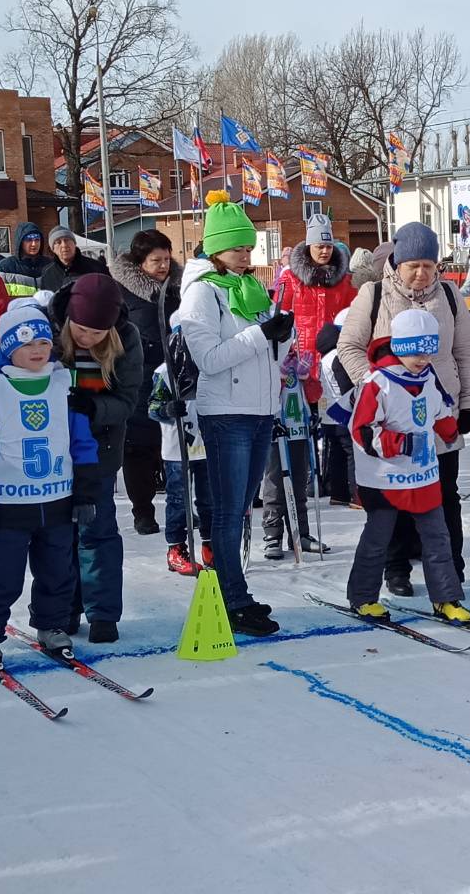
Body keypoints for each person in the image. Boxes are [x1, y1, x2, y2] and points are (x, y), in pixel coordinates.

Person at [337, 222, 470, 597]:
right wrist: (377, 386)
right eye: (412, 265)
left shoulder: (449, 295)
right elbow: (348, 346)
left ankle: (452, 567)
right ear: (396, 264)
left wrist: (469, 404)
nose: (420, 274)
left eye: (428, 266)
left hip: (437, 411)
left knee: (444, 494)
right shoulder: (374, 294)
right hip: (393, 419)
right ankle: (396, 566)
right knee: (395, 498)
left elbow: (465, 352)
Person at [175, 190, 294, 635]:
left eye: (249, 248)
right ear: (214, 248)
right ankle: (232, 596)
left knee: (241, 506)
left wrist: (283, 338)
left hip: (259, 409)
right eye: (237, 248)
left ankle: (234, 590)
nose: (246, 256)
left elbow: (268, 355)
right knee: (227, 511)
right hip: (225, 411)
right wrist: (264, 336)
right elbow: (210, 358)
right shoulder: (202, 293)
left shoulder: (249, 289)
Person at [0, 304, 98, 666]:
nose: (38, 350)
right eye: (27, 343)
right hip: (9, 506)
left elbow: (82, 443)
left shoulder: (63, 385)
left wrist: (84, 494)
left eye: (44, 341)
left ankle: (52, 624)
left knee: (57, 572)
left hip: (57, 501)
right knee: (2, 576)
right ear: (8, 348)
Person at [346, 308, 470, 624]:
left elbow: (439, 407)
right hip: (386, 479)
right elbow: (361, 430)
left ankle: (446, 598)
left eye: (428, 351)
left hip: (423, 473)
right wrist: (399, 443)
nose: (423, 358)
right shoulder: (378, 383)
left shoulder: (427, 375)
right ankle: (362, 597)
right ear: (401, 347)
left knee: (437, 537)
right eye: (416, 351)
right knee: (379, 538)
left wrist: (449, 428)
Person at [51, 273, 144, 643]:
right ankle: (65, 608)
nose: (87, 339)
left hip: (100, 452)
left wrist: (93, 408)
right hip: (53, 453)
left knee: (96, 530)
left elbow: (127, 400)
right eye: (81, 331)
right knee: (58, 535)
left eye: (96, 334)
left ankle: (103, 612)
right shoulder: (48, 332)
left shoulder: (128, 339)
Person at [108, 229, 182, 535]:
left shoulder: (178, 288)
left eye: (167, 259)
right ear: (140, 263)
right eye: (156, 260)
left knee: (172, 443)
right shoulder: (121, 292)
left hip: (174, 374)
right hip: (137, 376)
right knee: (139, 445)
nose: (163, 265)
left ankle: (178, 506)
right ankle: (143, 510)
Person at [275, 214, 358, 407]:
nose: (324, 251)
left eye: (328, 246)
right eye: (319, 246)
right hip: (298, 363)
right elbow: (278, 315)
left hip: (333, 360)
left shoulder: (345, 281)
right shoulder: (290, 278)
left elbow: (353, 318)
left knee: (334, 421)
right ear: (309, 246)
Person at [148, 356, 212, 576]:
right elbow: (153, 407)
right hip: (177, 447)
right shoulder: (165, 371)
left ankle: (210, 544)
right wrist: (167, 410)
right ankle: (176, 548)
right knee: (178, 498)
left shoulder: (208, 363)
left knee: (209, 498)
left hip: (206, 442)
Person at [260, 348, 323, 559]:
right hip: (277, 432)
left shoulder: (300, 366)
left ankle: (300, 532)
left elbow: (315, 395)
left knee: (299, 484)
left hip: (299, 432)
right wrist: (280, 375)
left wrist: (307, 377)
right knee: (275, 484)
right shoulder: (269, 364)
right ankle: (272, 535)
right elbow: (263, 392)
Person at [316, 308, 357, 505]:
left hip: (327, 414)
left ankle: (338, 493)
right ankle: (357, 494)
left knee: (337, 453)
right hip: (342, 413)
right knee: (352, 453)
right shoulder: (339, 356)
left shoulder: (325, 356)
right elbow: (346, 387)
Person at [40, 226, 107, 292]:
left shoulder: (96, 268)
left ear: (74, 243)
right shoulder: (48, 273)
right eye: (58, 242)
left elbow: (111, 293)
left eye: (67, 240)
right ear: (53, 249)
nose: (64, 245)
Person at [0, 222, 52, 298]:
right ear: (20, 242)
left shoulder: (50, 265)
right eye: (29, 240)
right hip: (17, 309)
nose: (34, 244)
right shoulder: (4, 267)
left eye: (37, 239)